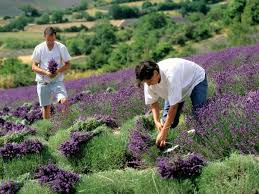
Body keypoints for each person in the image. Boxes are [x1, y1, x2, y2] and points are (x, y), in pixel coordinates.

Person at [135, 58, 208, 147]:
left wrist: (164, 132)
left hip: (195, 80)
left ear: (155, 73)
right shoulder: (148, 81)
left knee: (200, 114)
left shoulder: (171, 75)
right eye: (146, 82)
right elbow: (153, 103)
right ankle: (170, 145)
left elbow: (174, 106)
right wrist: (157, 121)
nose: (148, 84)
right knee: (168, 122)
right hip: (175, 89)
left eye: (149, 81)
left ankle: (204, 143)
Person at [31, 27, 71, 119]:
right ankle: (47, 130)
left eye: (53, 40)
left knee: (64, 101)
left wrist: (57, 71)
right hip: (43, 81)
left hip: (57, 81)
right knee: (46, 107)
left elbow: (68, 64)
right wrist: (46, 72)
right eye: (49, 40)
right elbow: (33, 67)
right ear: (44, 37)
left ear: (55, 37)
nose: (51, 42)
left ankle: (66, 124)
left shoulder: (61, 47)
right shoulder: (39, 48)